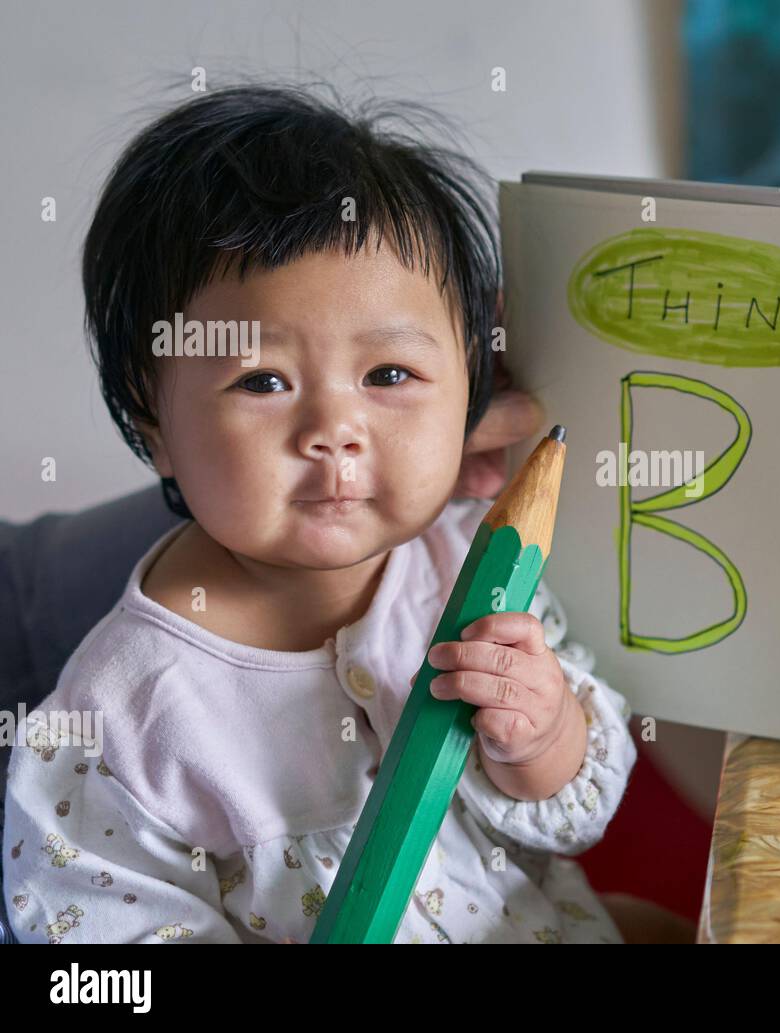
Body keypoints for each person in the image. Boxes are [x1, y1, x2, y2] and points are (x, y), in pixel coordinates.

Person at [2, 83, 639, 944]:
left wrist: (544, 734)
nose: (336, 431)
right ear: (154, 424)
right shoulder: (115, 722)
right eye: (263, 381)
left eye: (389, 376)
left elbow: (576, 810)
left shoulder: (475, 564)